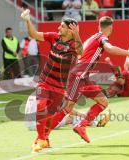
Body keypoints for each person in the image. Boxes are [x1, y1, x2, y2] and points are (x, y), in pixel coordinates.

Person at [48, 16, 129, 143]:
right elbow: (110, 49)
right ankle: (44, 135)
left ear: (99, 26)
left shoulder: (93, 37)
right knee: (68, 106)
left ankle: (81, 126)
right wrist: (128, 53)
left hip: (83, 76)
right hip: (78, 75)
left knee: (103, 101)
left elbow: (80, 54)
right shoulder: (102, 38)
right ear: (110, 28)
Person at [21, 9, 83, 152]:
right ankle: (41, 139)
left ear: (70, 30)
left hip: (60, 86)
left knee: (50, 115)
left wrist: (77, 34)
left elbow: (81, 52)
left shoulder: (74, 45)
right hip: (45, 81)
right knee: (40, 106)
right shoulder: (53, 37)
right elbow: (34, 35)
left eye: (62, 26)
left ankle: (44, 139)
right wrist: (28, 20)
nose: (58, 28)